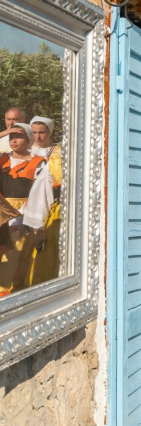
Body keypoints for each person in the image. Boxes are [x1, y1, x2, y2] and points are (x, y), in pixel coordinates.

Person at [0, 123, 49, 295]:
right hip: (1, 214)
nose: (13, 140)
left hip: (21, 217)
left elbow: (40, 194)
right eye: (11, 136)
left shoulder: (38, 163)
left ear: (28, 139)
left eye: (19, 136)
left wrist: (23, 221)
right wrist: (4, 132)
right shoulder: (2, 158)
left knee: (11, 265)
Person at [25, 116, 61, 286]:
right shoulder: (23, 150)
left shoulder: (59, 153)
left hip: (48, 205)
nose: (38, 137)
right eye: (34, 133)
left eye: (42, 133)